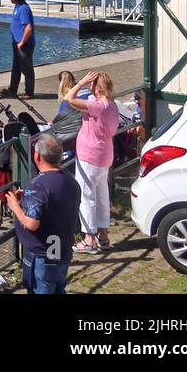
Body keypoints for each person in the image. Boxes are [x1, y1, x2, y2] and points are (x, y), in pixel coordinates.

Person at [5, 132, 81, 293]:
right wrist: (29, 199)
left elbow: (32, 224)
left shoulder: (38, 186)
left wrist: (15, 206)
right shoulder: (70, 180)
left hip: (42, 255)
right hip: (63, 249)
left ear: (37, 156)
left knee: (41, 289)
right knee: (58, 288)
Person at [65, 70, 119, 253]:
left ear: (96, 87)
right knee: (102, 195)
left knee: (87, 197)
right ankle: (103, 236)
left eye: (92, 84)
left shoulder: (97, 106)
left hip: (90, 156)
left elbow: (69, 98)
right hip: (105, 155)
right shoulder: (112, 106)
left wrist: (80, 83)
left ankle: (89, 239)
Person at [5, 0, 36, 98]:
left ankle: (29, 92)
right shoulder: (18, 6)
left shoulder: (24, 9)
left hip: (24, 44)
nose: (9, 0)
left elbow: (28, 27)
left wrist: (22, 42)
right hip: (16, 42)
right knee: (16, 67)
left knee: (27, 69)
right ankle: (12, 89)